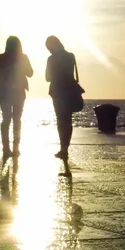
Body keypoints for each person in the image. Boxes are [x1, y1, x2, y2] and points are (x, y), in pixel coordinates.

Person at [0, 36, 33, 160]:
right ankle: (13, 148)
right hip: (14, 92)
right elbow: (30, 73)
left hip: (9, 92)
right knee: (15, 120)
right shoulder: (21, 57)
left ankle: (9, 148)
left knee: (8, 120)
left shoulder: (3, 57)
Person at [45, 35, 82, 163]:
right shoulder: (70, 56)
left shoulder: (51, 59)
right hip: (70, 90)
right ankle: (65, 148)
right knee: (68, 121)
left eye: (49, 48)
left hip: (57, 91)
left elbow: (48, 78)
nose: (49, 50)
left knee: (61, 121)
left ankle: (63, 149)